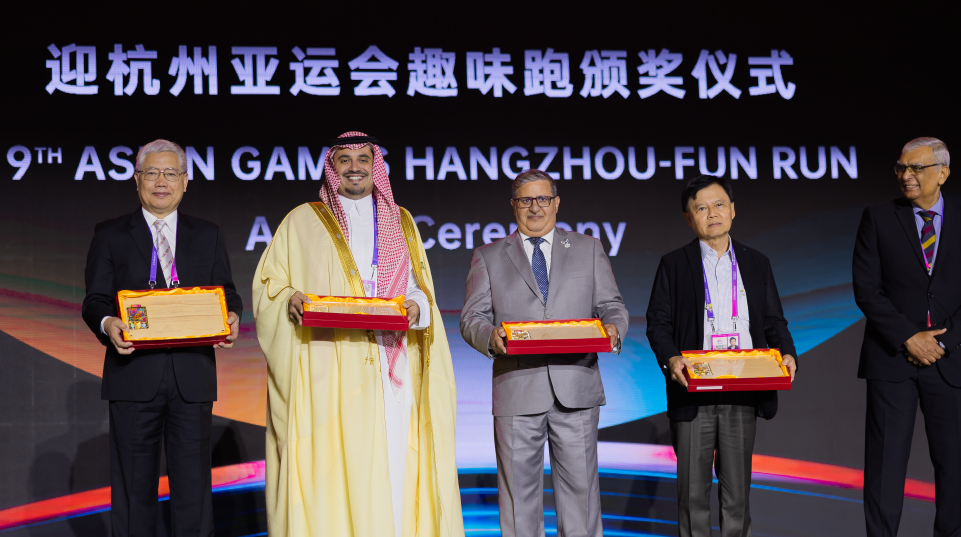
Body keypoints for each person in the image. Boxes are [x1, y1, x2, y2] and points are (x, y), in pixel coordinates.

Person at [253, 132, 463, 537]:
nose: (354, 167)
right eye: (344, 159)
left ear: (375, 166)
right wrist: (290, 297)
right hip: (326, 367)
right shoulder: (302, 221)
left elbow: (419, 287)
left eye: (363, 159)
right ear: (332, 167)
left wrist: (416, 306)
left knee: (393, 458)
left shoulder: (400, 220)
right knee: (330, 465)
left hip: (389, 362)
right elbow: (268, 286)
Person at [81, 139, 242, 536]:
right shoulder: (111, 234)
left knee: (193, 489)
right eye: (151, 173)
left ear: (185, 181)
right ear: (137, 180)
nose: (161, 182)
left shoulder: (208, 234)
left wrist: (231, 316)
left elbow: (227, 292)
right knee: (133, 488)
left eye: (170, 173)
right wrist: (108, 324)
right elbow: (95, 300)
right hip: (133, 374)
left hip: (192, 376)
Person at [460, 169, 628, 537]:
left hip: (577, 387)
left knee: (582, 500)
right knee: (518, 505)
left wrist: (614, 328)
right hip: (517, 388)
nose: (535, 207)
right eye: (525, 200)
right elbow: (471, 318)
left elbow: (612, 305)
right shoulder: (488, 256)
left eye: (542, 199)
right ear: (513, 205)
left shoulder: (588, 248)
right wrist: (491, 337)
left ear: (556, 203)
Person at [646, 174, 797, 537]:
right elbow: (658, 324)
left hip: (742, 391)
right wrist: (672, 359)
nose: (712, 213)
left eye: (718, 205)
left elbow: (774, 321)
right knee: (692, 496)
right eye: (701, 208)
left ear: (733, 209)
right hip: (693, 391)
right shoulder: (674, 264)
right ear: (689, 218)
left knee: (736, 497)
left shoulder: (756, 262)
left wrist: (788, 354)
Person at [853, 137, 960, 536]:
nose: (906, 175)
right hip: (891, 360)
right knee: (884, 469)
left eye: (917, 168)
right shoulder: (878, 218)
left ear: (943, 173)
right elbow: (867, 289)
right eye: (901, 168)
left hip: (952, 361)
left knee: (955, 469)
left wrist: (942, 342)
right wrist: (910, 337)